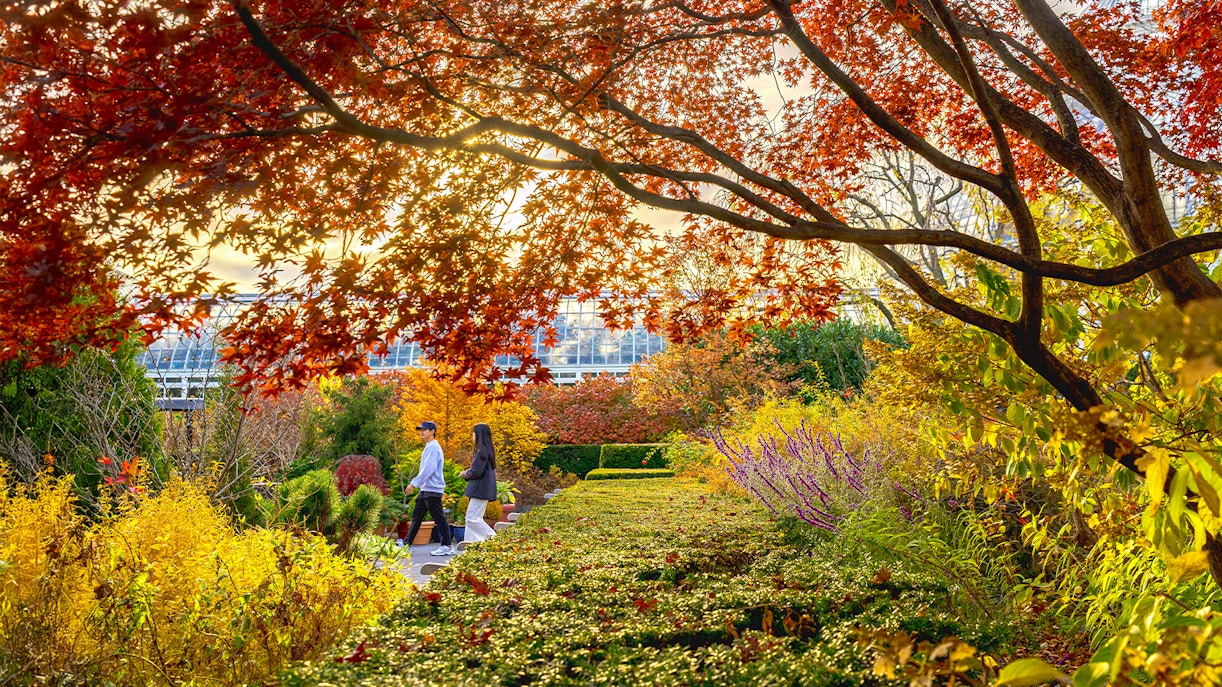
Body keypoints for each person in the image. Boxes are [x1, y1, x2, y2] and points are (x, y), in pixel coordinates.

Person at [404, 421, 455, 556]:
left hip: (432, 489)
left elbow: (429, 469)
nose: (421, 432)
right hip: (426, 489)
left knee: (439, 518)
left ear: (432, 431)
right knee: (417, 516)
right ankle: (406, 544)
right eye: (420, 430)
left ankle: (447, 546)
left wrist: (414, 483)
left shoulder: (433, 447)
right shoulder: (429, 447)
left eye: (424, 430)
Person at [460, 423, 498, 543]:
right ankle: (469, 546)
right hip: (485, 489)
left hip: (479, 489)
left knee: (471, 519)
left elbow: (477, 471)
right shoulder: (488, 450)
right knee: (475, 518)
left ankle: (494, 538)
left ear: (479, 434)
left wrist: (467, 474)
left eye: (474, 432)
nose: (473, 435)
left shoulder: (481, 451)